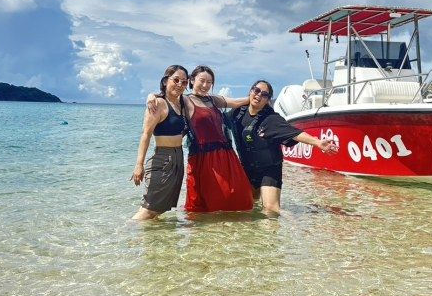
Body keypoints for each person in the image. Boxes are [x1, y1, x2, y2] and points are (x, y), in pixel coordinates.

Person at [148, 65, 253, 213]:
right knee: (207, 201)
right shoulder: (184, 100)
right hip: (202, 157)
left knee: (239, 196)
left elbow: (235, 102)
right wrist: (151, 96)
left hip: (226, 155)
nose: (205, 85)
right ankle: (203, 232)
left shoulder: (213, 100)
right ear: (191, 80)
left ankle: (230, 230)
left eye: (209, 82)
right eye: (202, 80)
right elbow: (166, 95)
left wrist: (255, 98)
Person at [228, 80, 338, 214]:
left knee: (271, 210)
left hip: (269, 169)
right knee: (246, 207)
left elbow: (295, 133)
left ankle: (289, 225)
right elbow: (216, 119)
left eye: (264, 94)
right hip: (247, 169)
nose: (258, 96)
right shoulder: (237, 113)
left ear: (268, 100)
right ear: (250, 91)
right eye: (256, 91)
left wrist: (318, 143)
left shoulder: (271, 119)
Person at [131, 65, 189, 221]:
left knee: (159, 210)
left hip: (177, 159)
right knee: (148, 210)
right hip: (163, 159)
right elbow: (146, 134)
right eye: (176, 80)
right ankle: (125, 236)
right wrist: (139, 164)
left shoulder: (182, 104)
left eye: (184, 82)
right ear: (165, 81)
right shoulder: (158, 104)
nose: (179, 85)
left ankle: (151, 243)